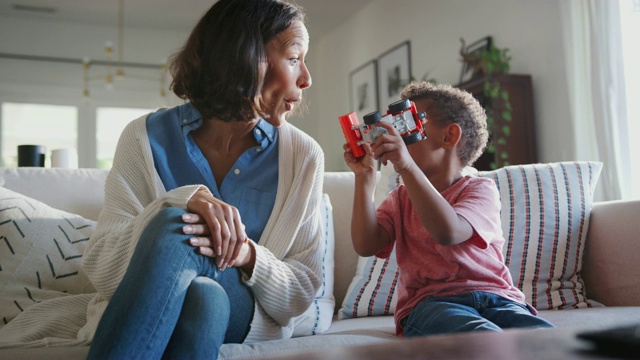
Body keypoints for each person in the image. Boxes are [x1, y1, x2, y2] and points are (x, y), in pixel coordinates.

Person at [82, 0, 324, 358]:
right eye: (293, 58)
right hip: (204, 306)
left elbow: (301, 293)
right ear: (247, 58)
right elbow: (102, 267)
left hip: (245, 311)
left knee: (179, 227)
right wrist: (176, 202)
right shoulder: (142, 138)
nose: (306, 78)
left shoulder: (303, 156)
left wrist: (245, 253)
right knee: (203, 294)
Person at [343, 81, 554, 338]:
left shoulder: (480, 190)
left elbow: (449, 231)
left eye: (409, 125)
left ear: (448, 136)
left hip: (498, 298)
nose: (398, 137)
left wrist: (407, 166)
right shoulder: (400, 199)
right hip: (431, 304)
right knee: (481, 338)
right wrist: (364, 177)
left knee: (548, 340)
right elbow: (366, 245)